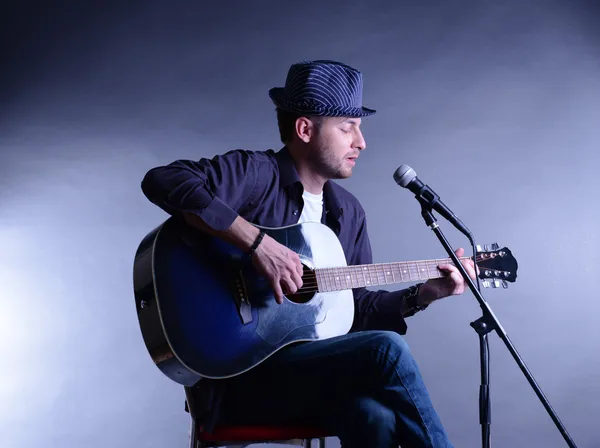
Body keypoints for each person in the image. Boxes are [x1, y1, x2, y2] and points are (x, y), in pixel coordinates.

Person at [141, 60, 477, 448]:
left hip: (311, 380)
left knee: (375, 416)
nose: (361, 142)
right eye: (347, 127)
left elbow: (358, 311)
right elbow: (163, 179)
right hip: (237, 379)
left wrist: (423, 295)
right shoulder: (256, 174)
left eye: (360, 128)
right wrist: (257, 244)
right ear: (304, 129)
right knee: (387, 349)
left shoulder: (348, 213)